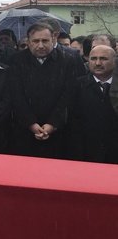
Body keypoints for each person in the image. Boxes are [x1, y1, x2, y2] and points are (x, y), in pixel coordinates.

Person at [9, 23, 77, 158]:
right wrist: (31, 124)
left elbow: (68, 96)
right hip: (23, 132)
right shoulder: (17, 60)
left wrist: (52, 124)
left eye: (45, 40)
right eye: (35, 41)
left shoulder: (67, 61)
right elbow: (16, 95)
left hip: (58, 132)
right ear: (28, 42)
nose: (40, 45)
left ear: (53, 39)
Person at [69, 45, 118, 163]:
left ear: (115, 61)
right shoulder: (77, 86)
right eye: (93, 58)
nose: (97, 63)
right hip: (86, 154)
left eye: (103, 59)